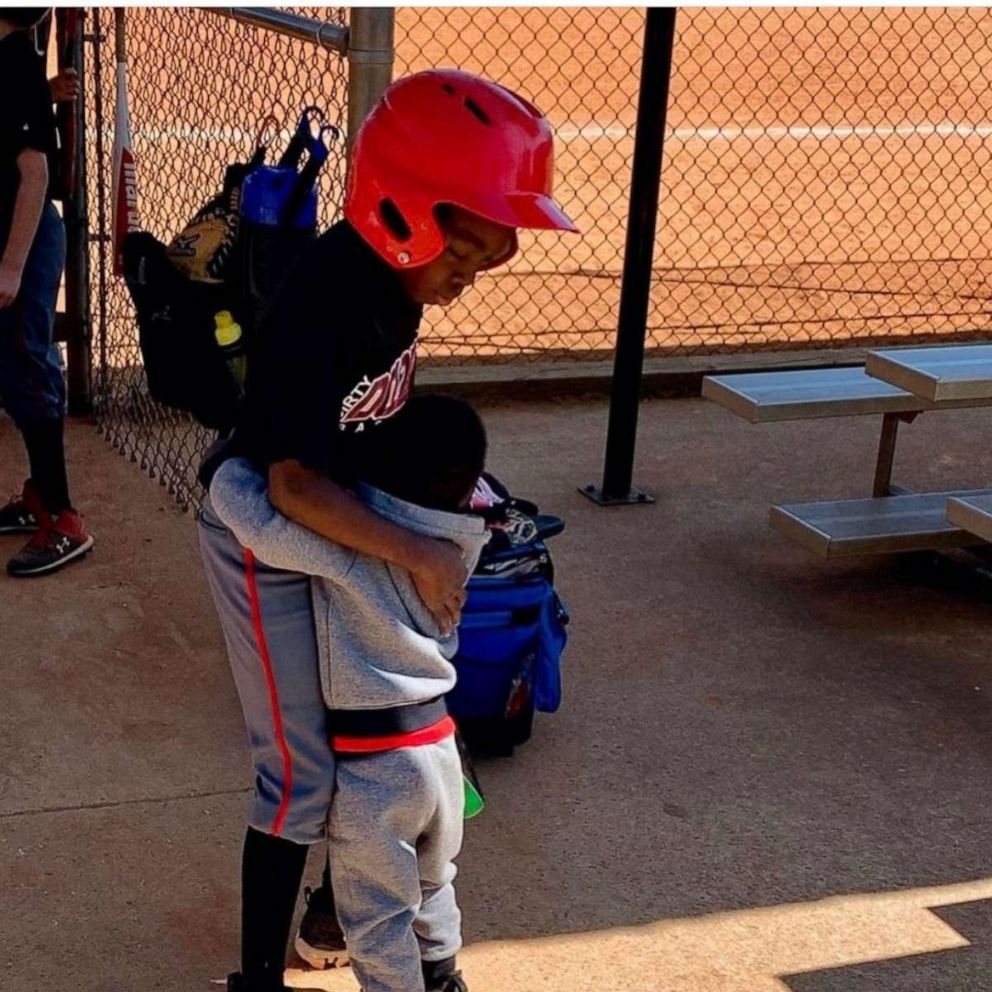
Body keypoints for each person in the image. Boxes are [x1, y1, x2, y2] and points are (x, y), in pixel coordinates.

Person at [196, 69, 577, 992]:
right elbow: (287, 483)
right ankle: (259, 977)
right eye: (465, 256)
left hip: (338, 514)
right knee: (301, 771)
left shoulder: (399, 286)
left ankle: (336, 906)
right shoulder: (326, 302)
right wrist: (419, 549)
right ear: (404, 212)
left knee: (379, 740)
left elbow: (368, 426)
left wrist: (457, 496)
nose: (470, 279)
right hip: (265, 531)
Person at [210, 395, 488, 992]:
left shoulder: (357, 552)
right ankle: (443, 975)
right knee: (434, 881)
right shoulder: (458, 548)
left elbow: (259, 524)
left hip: (380, 768)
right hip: (442, 753)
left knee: (377, 919)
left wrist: (229, 467)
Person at [0, 6, 93, 576]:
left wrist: (11, 266)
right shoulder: (16, 63)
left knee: (27, 364)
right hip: (14, 235)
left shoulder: (13, 61)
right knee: (13, 366)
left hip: (24, 238)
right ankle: (38, 493)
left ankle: (64, 519)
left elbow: (34, 174)